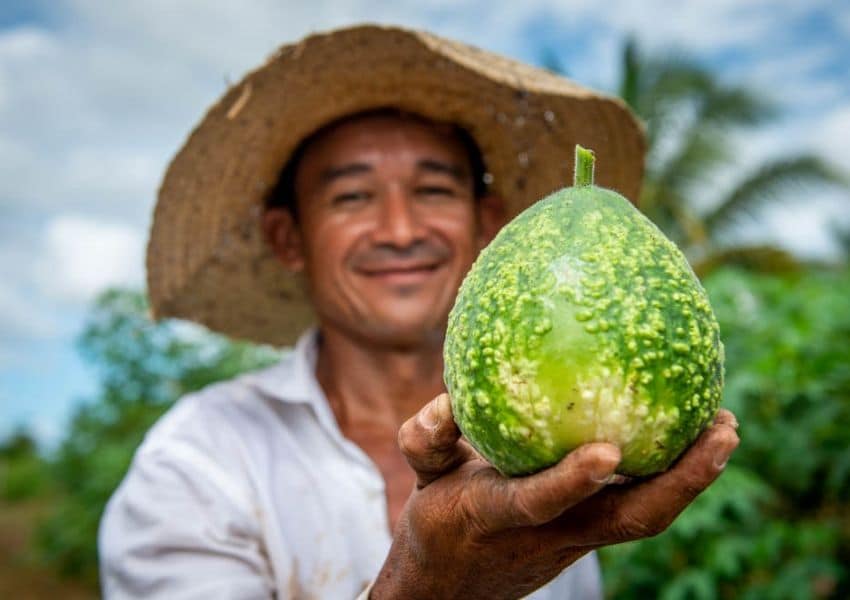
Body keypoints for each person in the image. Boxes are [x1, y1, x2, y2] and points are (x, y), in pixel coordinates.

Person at [99, 25, 739, 599]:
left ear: (488, 225)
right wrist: (427, 588)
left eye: (433, 189)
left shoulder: (549, 438)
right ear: (287, 237)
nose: (400, 229)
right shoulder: (199, 459)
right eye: (352, 196)